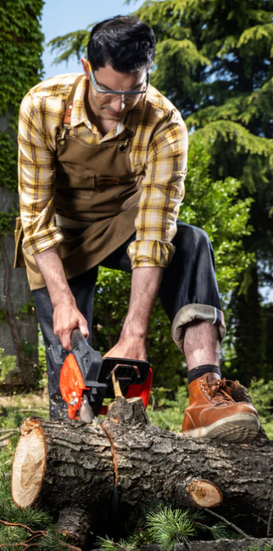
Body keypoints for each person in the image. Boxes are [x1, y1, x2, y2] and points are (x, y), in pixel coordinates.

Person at [15, 14, 260, 441]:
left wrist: (134, 334)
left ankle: (205, 390)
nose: (120, 104)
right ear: (87, 67)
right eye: (109, 90)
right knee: (71, 370)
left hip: (123, 222)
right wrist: (62, 300)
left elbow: (152, 234)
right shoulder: (42, 106)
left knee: (190, 242)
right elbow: (36, 215)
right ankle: (73, 449)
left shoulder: (165, 124)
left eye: (135, 89)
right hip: (59, 235)